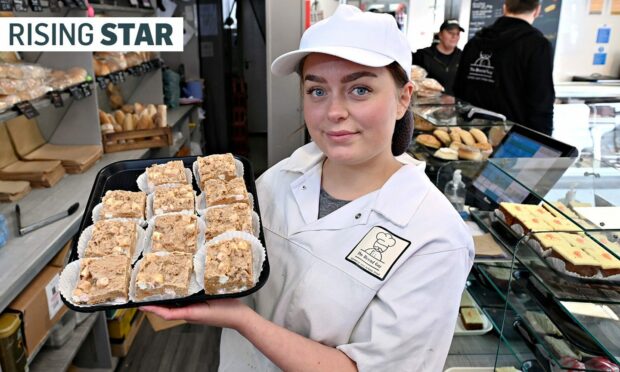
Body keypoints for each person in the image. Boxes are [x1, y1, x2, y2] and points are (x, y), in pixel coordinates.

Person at [142, 5, 474, 371]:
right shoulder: (279, 178)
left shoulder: (434, 237)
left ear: (403, 98)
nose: (333, 111)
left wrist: (241, 319)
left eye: (360, 89)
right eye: (317, 90)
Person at [453, 0, 555, 135]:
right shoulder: (537, 45)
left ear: (504, 8)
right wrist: (545, 144)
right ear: (537, 10)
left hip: (471, 135)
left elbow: (459, 89)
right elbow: (541, 101)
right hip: (512, 141)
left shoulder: (475, 42)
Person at [411, 19, 464, 95]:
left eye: (457, 34)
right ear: (440, 35)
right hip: (427, 103)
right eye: (450, 33)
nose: (454, 36)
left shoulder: (462, 57)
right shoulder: (423, 55)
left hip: (453, 104)